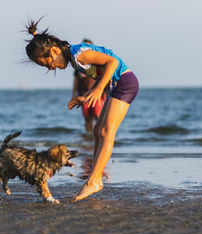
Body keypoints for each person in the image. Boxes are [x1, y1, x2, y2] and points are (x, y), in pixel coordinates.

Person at [24, 18, 139, 201]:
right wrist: (87, 96)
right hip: (115, 85)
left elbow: (113, 63)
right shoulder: (74, 58)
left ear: (54, 51)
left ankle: (94, 180)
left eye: (47, 63)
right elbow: (101, 73)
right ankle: (96, 176)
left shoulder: (79, 54)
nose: (50, 67)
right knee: (97, 130)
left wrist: (99, 89)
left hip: (125, 82)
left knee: (107, 131)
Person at [72, 39, 106, 133]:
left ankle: (99, 135)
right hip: (83, 93)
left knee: (97, 115)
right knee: (87, 117)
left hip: (96, 93)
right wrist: (74, 93)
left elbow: (104, 77)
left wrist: (104, 92)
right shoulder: (79, 65)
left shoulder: (97, 63)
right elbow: (76, 80)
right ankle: (89, 136)